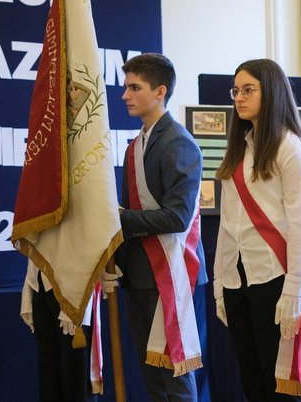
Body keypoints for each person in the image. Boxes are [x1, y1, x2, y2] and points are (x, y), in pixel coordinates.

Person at [213, 59, 301, 401]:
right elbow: (227, 224)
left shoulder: (290, 148)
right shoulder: (239, 147)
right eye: (236, 91)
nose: (239, 98)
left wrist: (295, 289)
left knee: (282, 386)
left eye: (248, 90)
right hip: (236, 277)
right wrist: (219, 284)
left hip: (275, 276)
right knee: (251, 381)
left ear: (270, 91)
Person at [113, 52, 207, 401]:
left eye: (135, 87)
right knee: (152, 376)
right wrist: (118, 261)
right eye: (126, 87)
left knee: (175, 375)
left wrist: (118, 217)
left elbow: (177, 217)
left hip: (173, 272)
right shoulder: (135, 146)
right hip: (139, 273)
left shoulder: (178, 142)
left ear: (160, 91)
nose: (125, 95)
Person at [20, 259, 97, 401]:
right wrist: (28, 287)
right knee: (49, 379)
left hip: (72, 287)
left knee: (76, 378)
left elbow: (86, 246)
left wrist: (75, 299)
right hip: (40, 284)